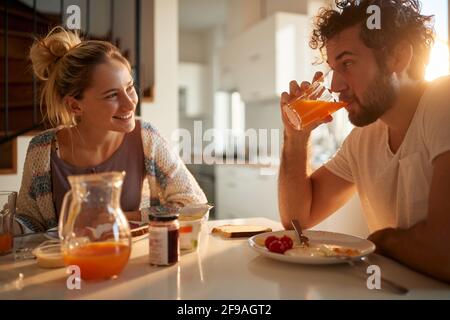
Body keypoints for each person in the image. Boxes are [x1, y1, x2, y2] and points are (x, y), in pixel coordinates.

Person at [278, 0, 450, 282]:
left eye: (347, 63)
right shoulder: (364, 139)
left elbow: (445, 252)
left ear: (397, 58)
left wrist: (380, 240)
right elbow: (298, 219)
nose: (334, 86)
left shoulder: (444, 100)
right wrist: (295, 138)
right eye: (333, 68)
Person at [15, 27, 207, 233]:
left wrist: (124, 217)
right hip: (68, 264)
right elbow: (30, 221)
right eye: (111, 95)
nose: (130, 103)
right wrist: (11, 226)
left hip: (134, 260)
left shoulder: (147, 138)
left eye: (130, 88)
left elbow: (195, 206)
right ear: (75, 106)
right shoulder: (41, 150)